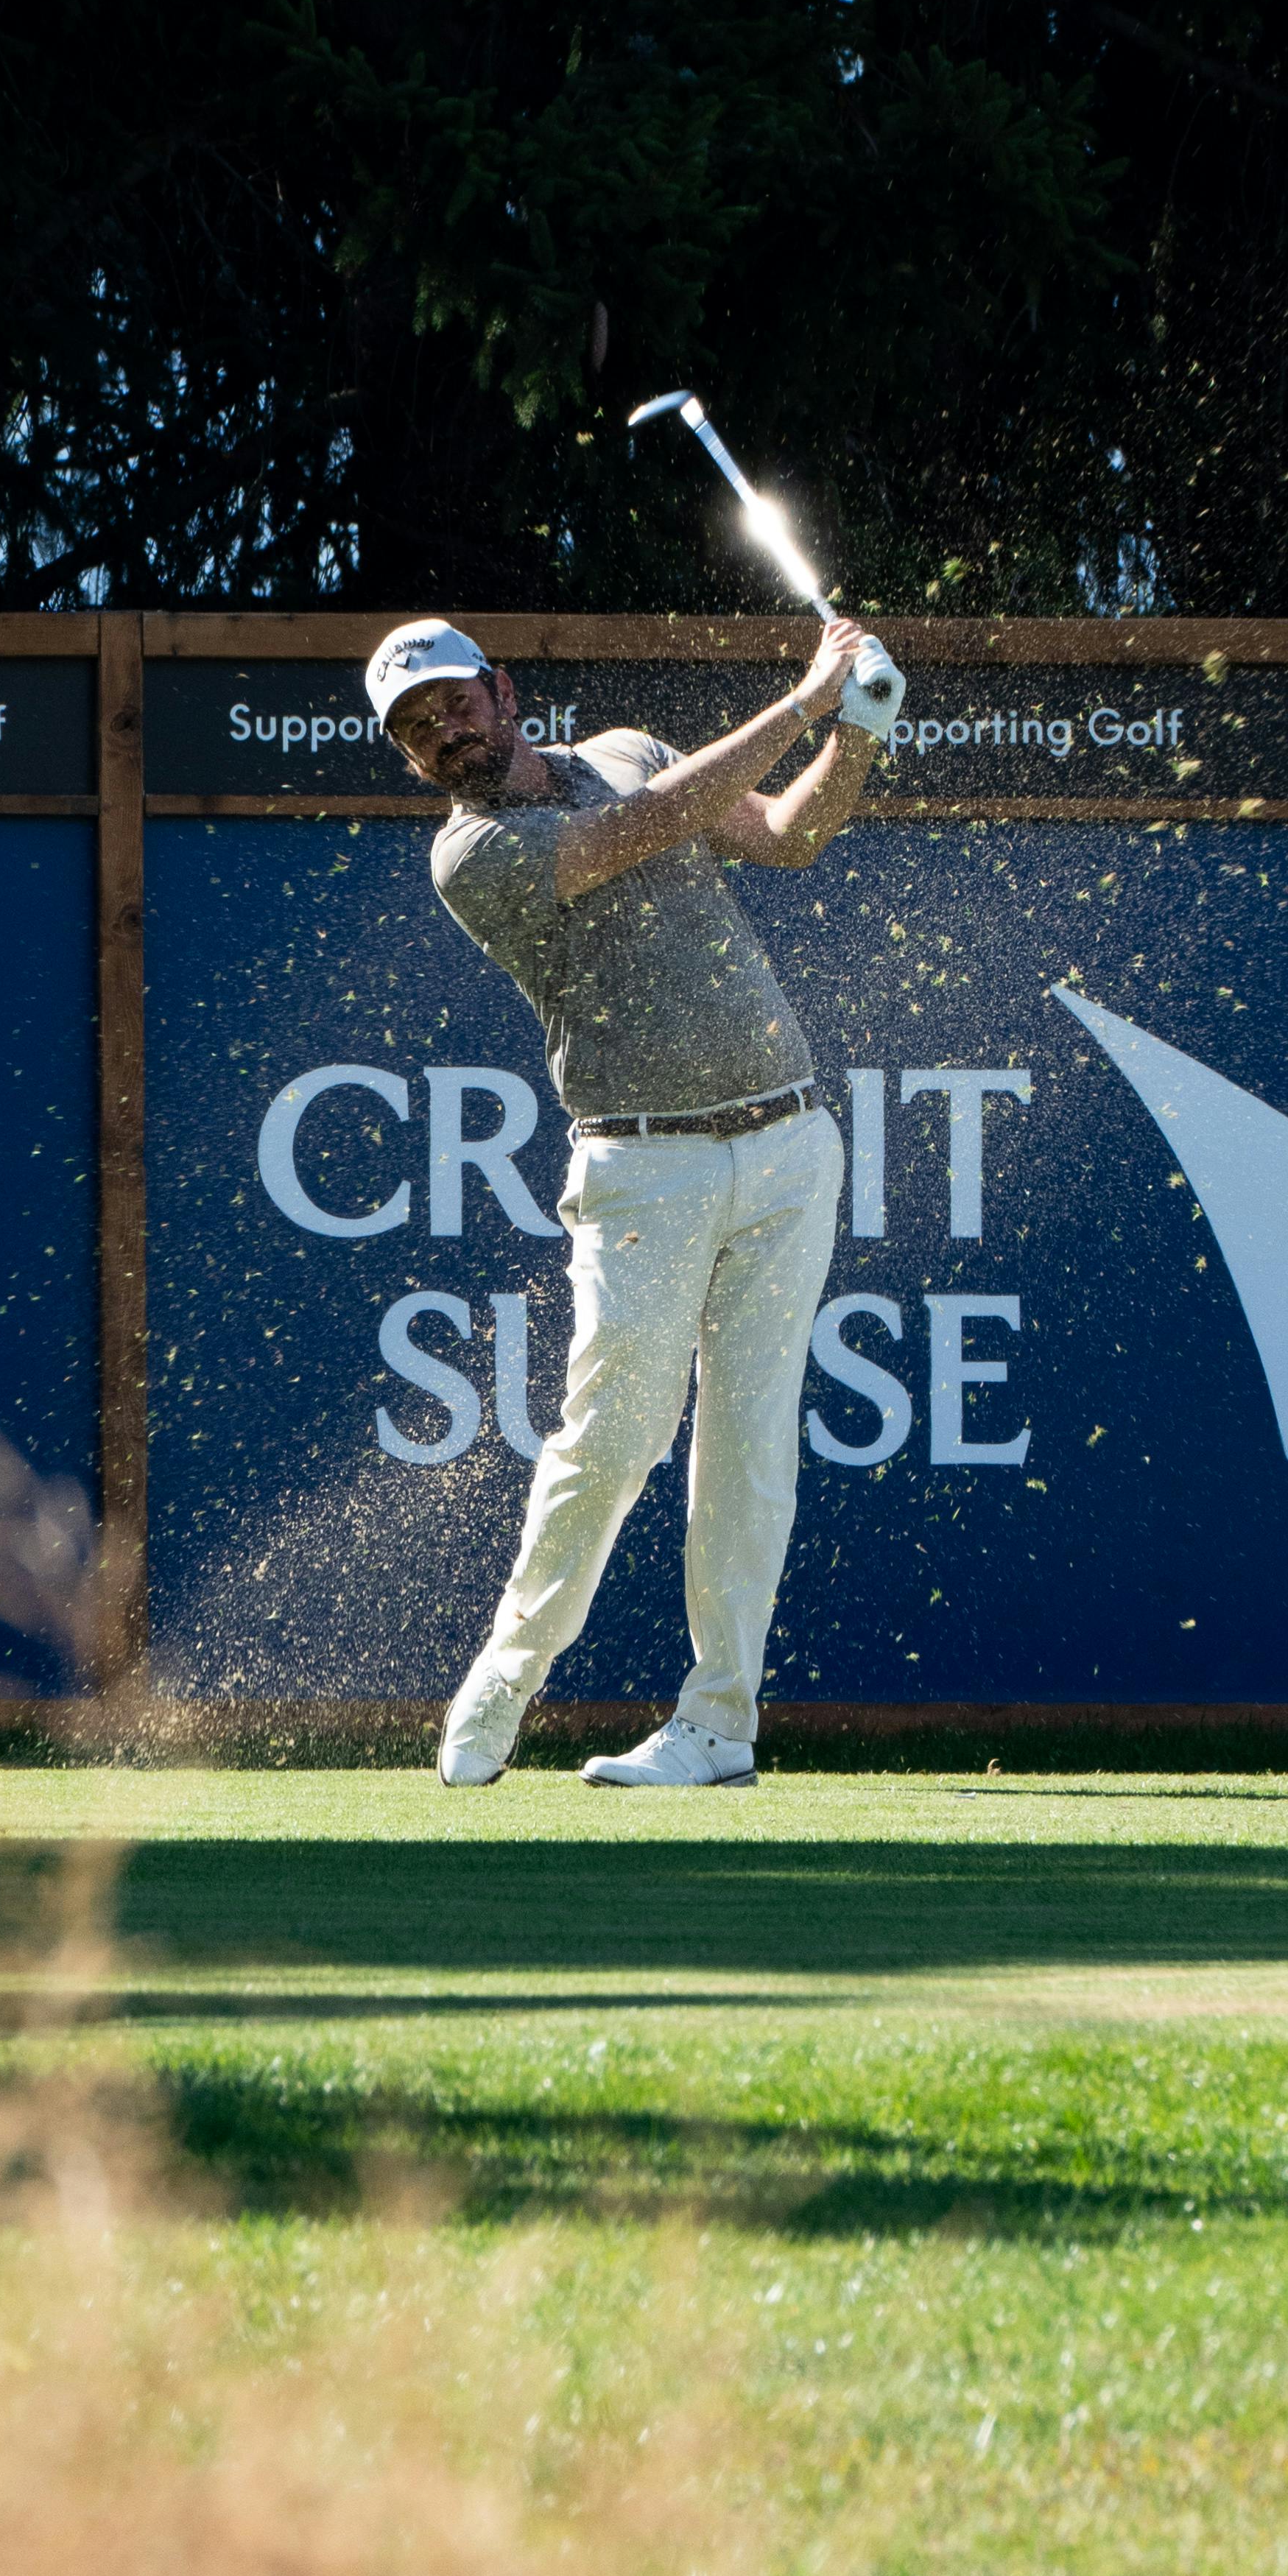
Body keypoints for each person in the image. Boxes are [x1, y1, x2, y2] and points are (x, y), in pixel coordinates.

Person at [364, 611, 904, 1788]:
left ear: (503, 692)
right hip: (642, 1164)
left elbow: (790, 836)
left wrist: (859, 730)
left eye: (454, 703)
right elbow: (637, 831)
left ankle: (719, 1725)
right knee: (613, 1437)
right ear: (408, 757)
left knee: (751, 1445)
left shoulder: (629, 749)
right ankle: (507, 1676)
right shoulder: (471, 856)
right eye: (416, 728)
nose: (444, 731)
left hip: (791, 1142)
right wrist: (804, 702)